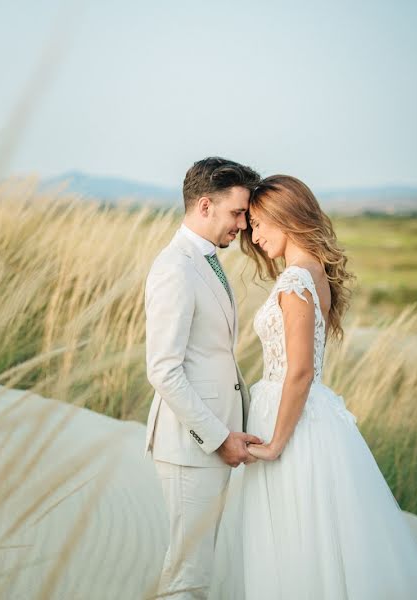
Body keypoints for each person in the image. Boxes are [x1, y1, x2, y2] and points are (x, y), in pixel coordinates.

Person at [210, 174, 417, 598]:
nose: (254, 235)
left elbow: (299, 371)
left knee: (294, 538)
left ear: (287, 218)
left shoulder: (297, 279)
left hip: (291, 424)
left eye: (261, 224)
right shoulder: (312, 272)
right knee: (309, 536)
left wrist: (277, 442)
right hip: (305, 415)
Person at [144, 156, 262, 598]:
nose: (243, 225)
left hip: (206, 442)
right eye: (237, 213)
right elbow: (163, 369)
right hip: (191, 443)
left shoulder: (205, 261)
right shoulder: (176, 268)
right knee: (188, 575)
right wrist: (218, 436)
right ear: (206, 206)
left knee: (195, 569)